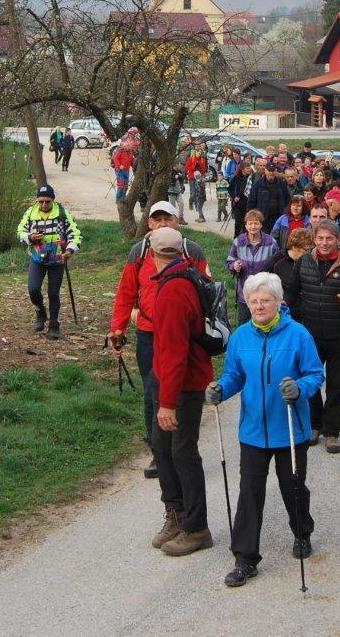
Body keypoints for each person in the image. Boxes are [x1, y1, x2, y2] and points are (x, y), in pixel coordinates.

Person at [208, 272, 325, 587]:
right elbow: (234, 375)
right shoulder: (240, 337)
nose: (259, 306)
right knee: (250, 492)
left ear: (278, 302)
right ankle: (245, 559)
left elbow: (315, 374)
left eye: (265, 300)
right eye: (253, 301)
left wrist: (299, 388)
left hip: (289, 427)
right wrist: (221, 389)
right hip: (253, 431)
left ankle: (302, 532)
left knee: (293, 487)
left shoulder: (298, 335)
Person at [109, 201, 210, 479]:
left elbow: (207, 292)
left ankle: (184, 449)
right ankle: (158, 453)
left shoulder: (192, 251)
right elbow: (126, 293)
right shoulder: (139, 253)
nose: (163, 224)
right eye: (158, 219)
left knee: (184, 392)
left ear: (177, 222)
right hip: (149, 334)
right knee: (153, 394)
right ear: (150, 223)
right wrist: (117, 330)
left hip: (184, 335)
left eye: (168, 218)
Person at [149, 226, 215, 557]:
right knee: (162, 447)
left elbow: (175, 352)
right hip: (175, 379)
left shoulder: (175, 290)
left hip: (183, 385)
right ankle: (176, 514)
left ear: (152, 253)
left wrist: (167, 403)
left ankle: (196, 527)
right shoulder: (183, 274)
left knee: (183, 452)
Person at [285, 220, 340, 454]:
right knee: (311, 382)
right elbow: (292, 291)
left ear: (338, 240)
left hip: (339, 334)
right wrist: (284, 308)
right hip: (311, 334)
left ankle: (332, 432)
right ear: (314, 239)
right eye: (320, 238)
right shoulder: (304, 261)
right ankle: (315, 425)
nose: (324, 243)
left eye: (329, 238)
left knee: (335, 385)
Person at [17, 183, 82, 340]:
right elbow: (20, 231)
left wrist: (69, 251)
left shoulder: (62, 213)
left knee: (53, 293)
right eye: (41, 201)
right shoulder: (30, 213)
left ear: (53, 200)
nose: (44, 204)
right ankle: (40, 313)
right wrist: (30, 237)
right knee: (33, 289)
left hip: (57, 259)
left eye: (47, 201)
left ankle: (54, 325)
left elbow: (75, 234)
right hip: (36, 258)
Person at [227, 210, 279, 325]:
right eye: (250, 223)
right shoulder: (238, 241)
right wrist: (234, 266)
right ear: (246, 226)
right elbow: (230, 261)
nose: (253, 226)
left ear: (261, 225)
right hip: (244, 294)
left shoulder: (271, 243)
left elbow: (278, 266)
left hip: (265, 293)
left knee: (264, 323)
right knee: (244, 323)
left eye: (256, 223)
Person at [262, 227, 314, 297]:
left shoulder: (311, 259)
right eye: (307, 250)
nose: (310, 252)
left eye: (311, 249)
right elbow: (261, 279)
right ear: (294, 247)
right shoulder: (277, 259)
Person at [247, 164, 286, 235]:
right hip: (262, 218)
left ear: (275, 171)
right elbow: (251, 201)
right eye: (269, 171)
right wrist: (250, 216)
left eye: (273, 171)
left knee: (275, 237)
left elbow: (287, 199)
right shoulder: (258, 183)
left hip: (277, 218)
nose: (271, 173)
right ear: (265, 171)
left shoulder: (281, 183)